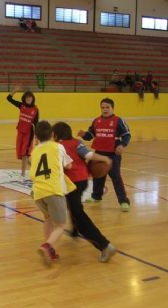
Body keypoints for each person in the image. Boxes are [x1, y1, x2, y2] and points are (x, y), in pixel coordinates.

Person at [52, 122, 117, 262]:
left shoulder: (58, 146)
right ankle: (75, 230)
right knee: (73, 207)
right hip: (82, 180)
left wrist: (105, 159)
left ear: (56, 135)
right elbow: (88, 154)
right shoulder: (77, 142)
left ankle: (105, 245)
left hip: (71, 183)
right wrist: (104, 158)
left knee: (79, 215)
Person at [30, 121, 75, 267]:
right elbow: (68, 164)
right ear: (52, 135)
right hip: (53, 190)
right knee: (61, 225)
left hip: (37, 192)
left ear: (36, 137)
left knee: (48, 219)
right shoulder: (58, 147)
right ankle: (47, 246)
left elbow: (34, 163)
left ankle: (51, 251)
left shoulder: (34, 150)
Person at [78, 98, 131, 211]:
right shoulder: (96, 120)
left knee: (116, 177)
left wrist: (122, 145)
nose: (105, 109)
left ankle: (123, 201)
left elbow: (127, 135)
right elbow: (90, 135)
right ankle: (96, 197)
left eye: (107, 107)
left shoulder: (118, 120)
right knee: (98, 175)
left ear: (112, 108)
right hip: (99, 153)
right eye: (103, 107)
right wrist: (84, 134)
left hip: (113, 155)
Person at [6, 86, 39, 177]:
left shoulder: (35, 110)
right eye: (27, 97)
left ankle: (23, 174)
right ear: (24, 99)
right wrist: (14, 91)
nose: (29, 99)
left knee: (25, 153)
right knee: (22, 155)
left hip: (29, 134)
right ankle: (36, 168)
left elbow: (36, 123)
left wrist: (36, 137)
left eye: (30, 97)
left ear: (33, 98)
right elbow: (8, 99)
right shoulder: (21, 106)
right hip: (20, 132)